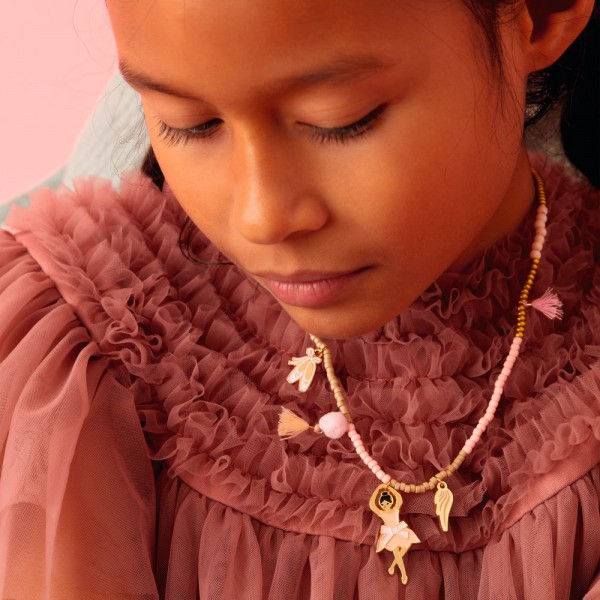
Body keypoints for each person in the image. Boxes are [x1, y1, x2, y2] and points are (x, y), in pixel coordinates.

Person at [0, 0, 598, 597]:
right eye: (191, 124)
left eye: (339, 120)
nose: (261, 218)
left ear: (543, 13)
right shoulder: (82, 346)